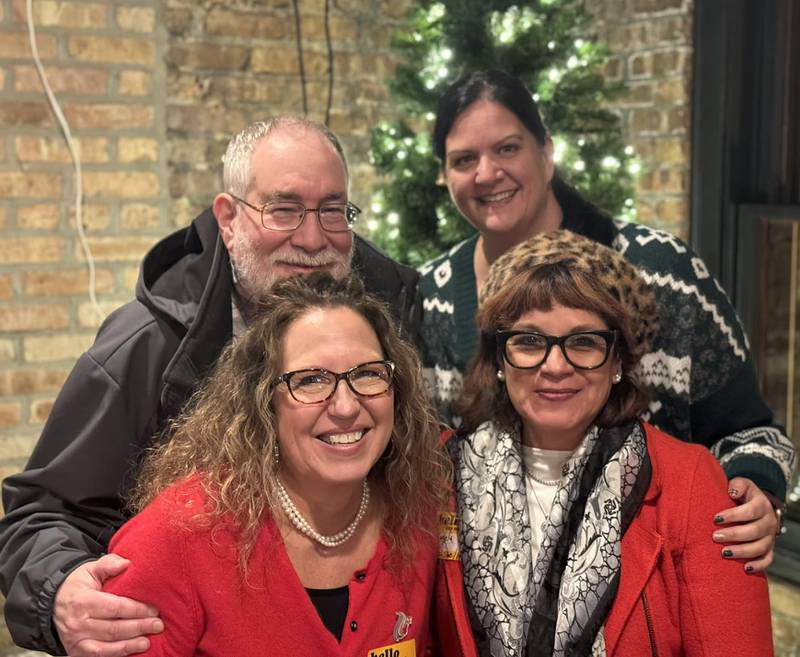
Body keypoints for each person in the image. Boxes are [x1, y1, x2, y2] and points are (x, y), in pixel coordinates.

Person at [0, 117, 421, 656]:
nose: (313, 238)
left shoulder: (388, 317)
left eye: (332, 210)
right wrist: (57, 589)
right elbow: (41, 511)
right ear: (229, 218)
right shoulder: (147, 346)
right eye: (284, 209)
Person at [418, 69, 796, 573]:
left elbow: (753, 435)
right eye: (464, 159)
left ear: (547, 153)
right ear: (445, 175)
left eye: (508, 148)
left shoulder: (666, 276)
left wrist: (756, 488)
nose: (487, 173)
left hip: (655, 591)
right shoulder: (430, 300)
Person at [434, 230, 774, 657]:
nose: (554, 366)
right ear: (499, 359)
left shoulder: (689, 483)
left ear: (618, 360)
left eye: (584, 342)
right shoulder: (442, 477)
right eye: (528, 341)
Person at [101, 272, 451, 656]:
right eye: (311, 380)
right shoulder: (179, 535)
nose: (347, 407)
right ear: (263, 400)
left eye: (368, 374)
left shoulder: (417, 516)